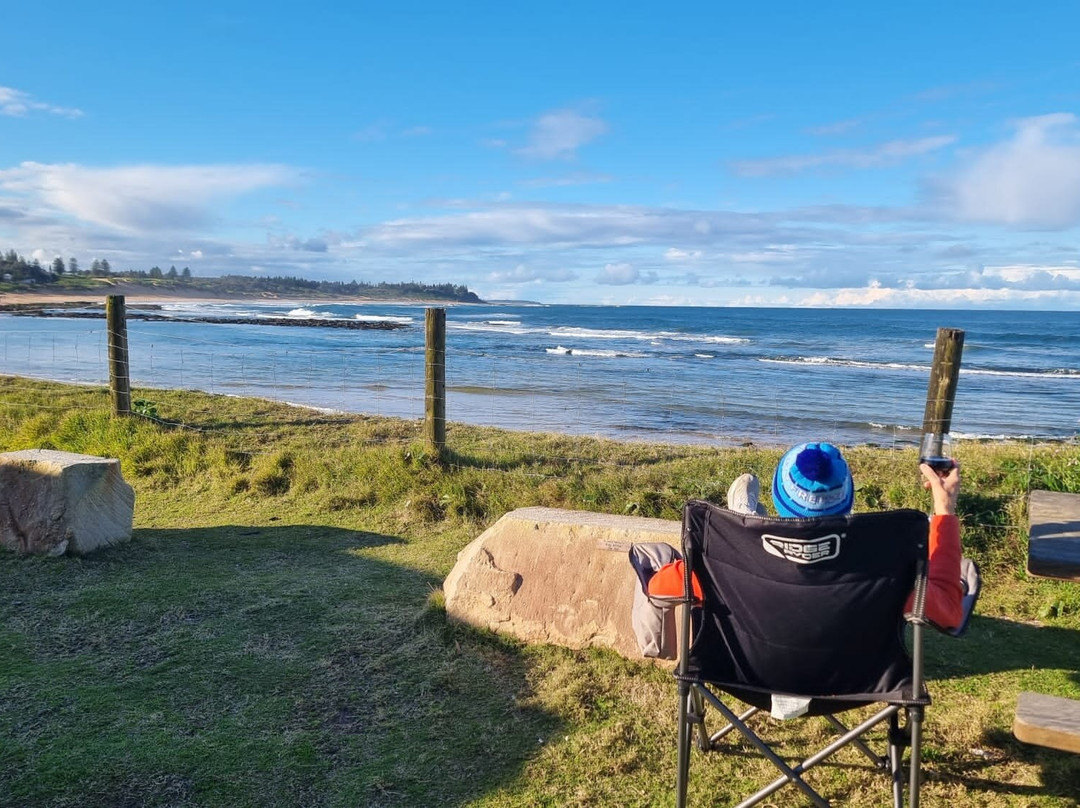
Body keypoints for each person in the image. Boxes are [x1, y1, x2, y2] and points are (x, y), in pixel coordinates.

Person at [649, 441, 965, 631]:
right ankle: (745, 514)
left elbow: (659, 588)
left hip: (745, 675)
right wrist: (944, 508)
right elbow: (949, 612)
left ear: (778, 498)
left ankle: (744, 517)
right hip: (853, 682)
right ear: (848, 500)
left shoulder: (727, 560)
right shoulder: (882, 564)